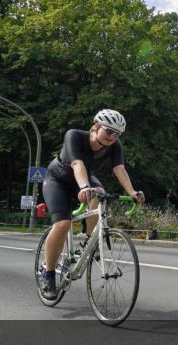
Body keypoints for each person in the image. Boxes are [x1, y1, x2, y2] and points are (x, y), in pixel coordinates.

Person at [39, 109, 145, 299]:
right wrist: (84, 186)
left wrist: (132, 192)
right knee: (63, 224)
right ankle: (48, 274)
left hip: (84, 181)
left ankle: (90, 239)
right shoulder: (74, 136)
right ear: (95, 127)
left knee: (100, 193)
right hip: (58, 180)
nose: (113, 137)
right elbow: (77, 164)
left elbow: (119, 168)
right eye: (109, 131)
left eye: (117, 134)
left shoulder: (114, 145)